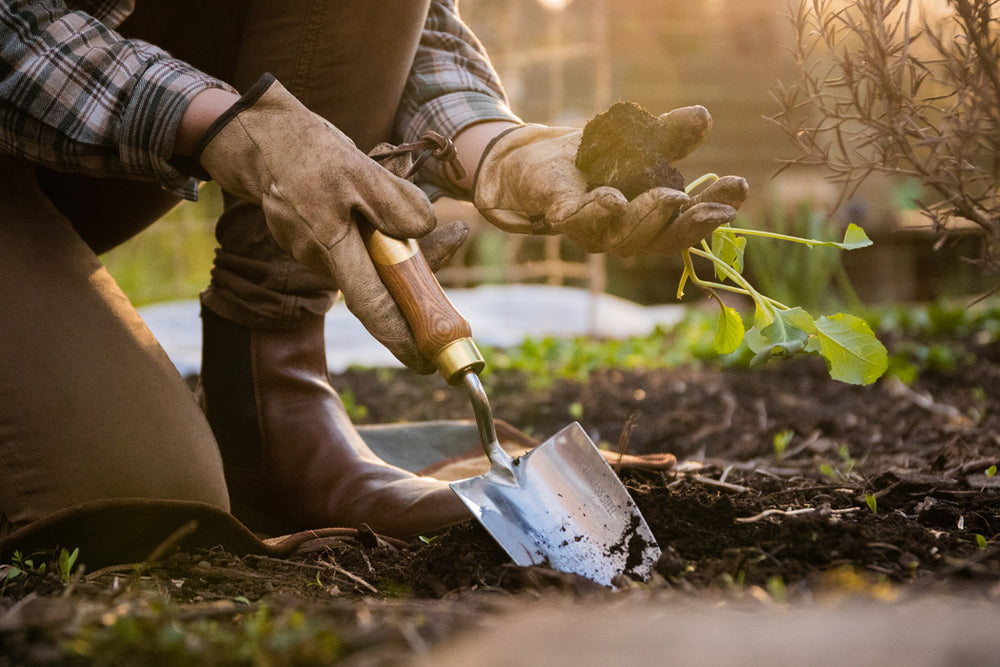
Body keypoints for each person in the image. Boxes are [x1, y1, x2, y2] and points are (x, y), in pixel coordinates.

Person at [0, 1, 747, 546]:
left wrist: (488, 146)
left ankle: (273, 402)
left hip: (88, 120)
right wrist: (229, 128)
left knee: (152, 499)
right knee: (137, 501)